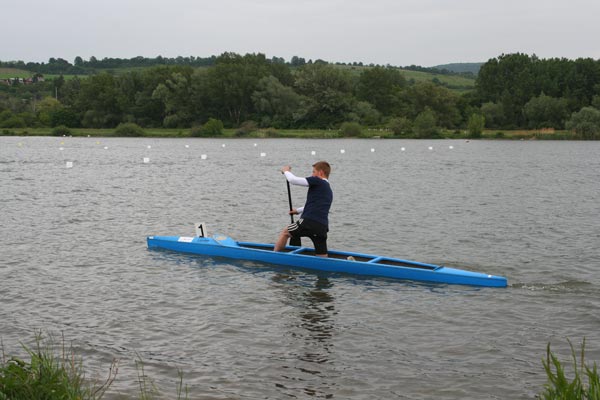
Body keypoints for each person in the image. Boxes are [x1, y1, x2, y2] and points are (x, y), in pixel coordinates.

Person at [274, 161, 333, 257]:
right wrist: (297, 211)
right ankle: (324, 266)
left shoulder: (318, 181)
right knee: (322, 255)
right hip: (322, 227)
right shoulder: (328, 190)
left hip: (308, 223)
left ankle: (274, 256)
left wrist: (286, 171)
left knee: (285, 233)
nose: (312, 174)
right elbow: (314, 205)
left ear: (320, 173)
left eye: (313, 172)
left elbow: (293, 180)